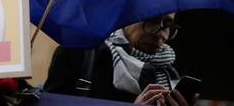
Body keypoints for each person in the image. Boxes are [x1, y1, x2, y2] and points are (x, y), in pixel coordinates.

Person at [44, 13, 197, 105]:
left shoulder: (169, 73)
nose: (161, 34)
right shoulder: (79, 53)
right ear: (127, 16)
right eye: (152, 20)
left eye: (168, 25)